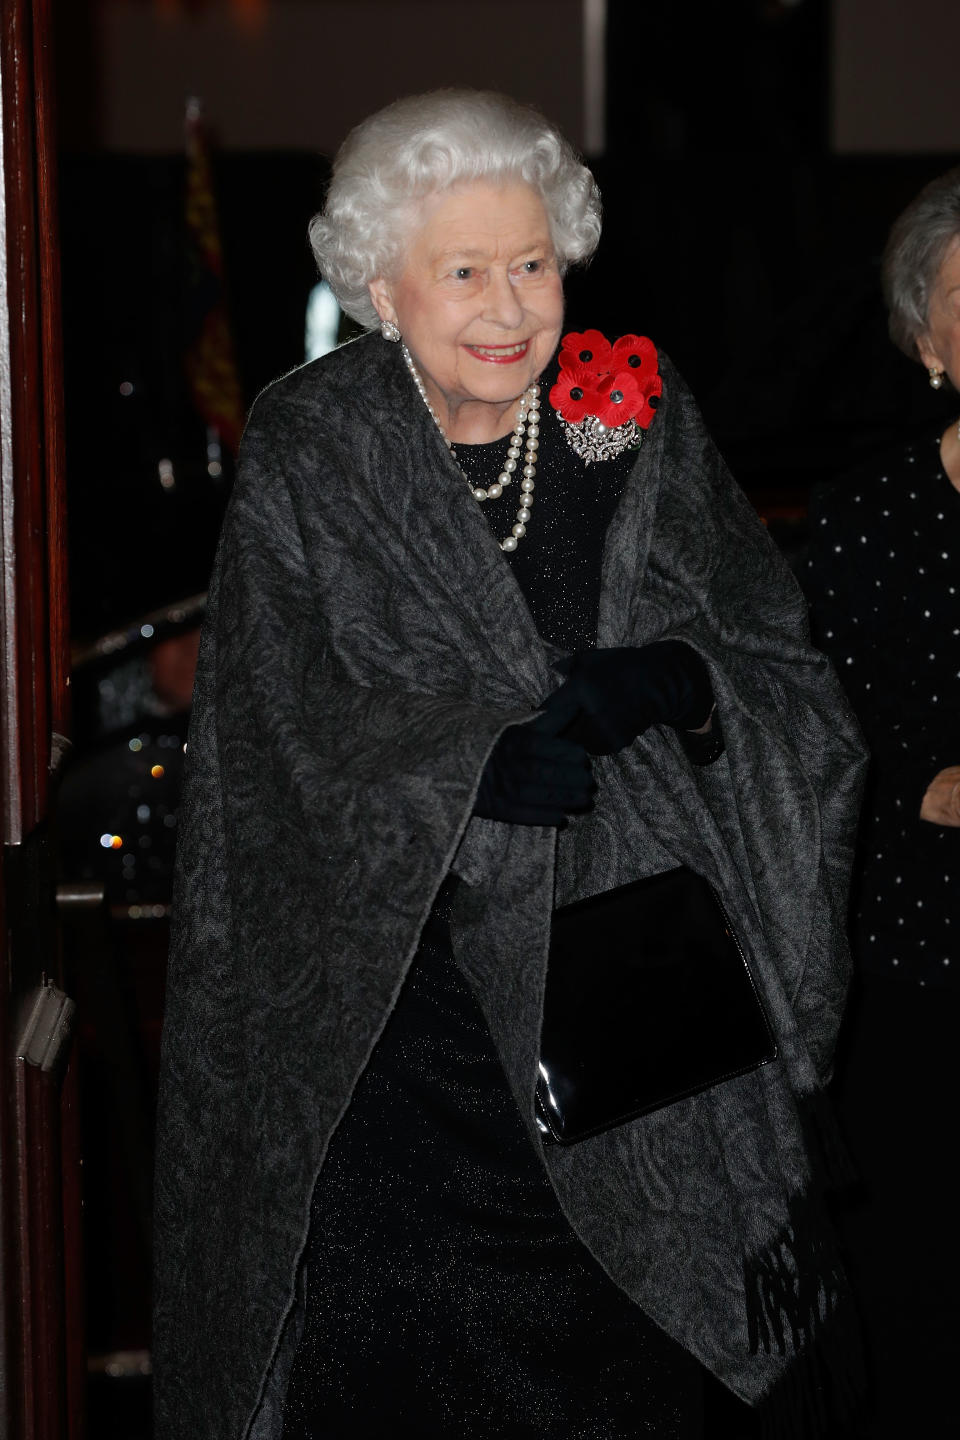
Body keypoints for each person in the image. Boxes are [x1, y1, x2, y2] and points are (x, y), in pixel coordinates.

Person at [153, 90, 866, 1439]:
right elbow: (269, 730)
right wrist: (463, 765)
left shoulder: (629, 411)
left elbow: (772, 661)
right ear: (382, 283)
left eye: (530, 263)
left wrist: (681, 681)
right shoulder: (317, 442)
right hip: (404, 1036)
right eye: (462, 270)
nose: (506, 306)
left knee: (635, 1375)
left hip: (629, 1011)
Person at [803, 167, 960, 1437]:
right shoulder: (868, 524)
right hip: (921, 982)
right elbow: (823, 761)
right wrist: (926, 787)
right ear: (927, 342)